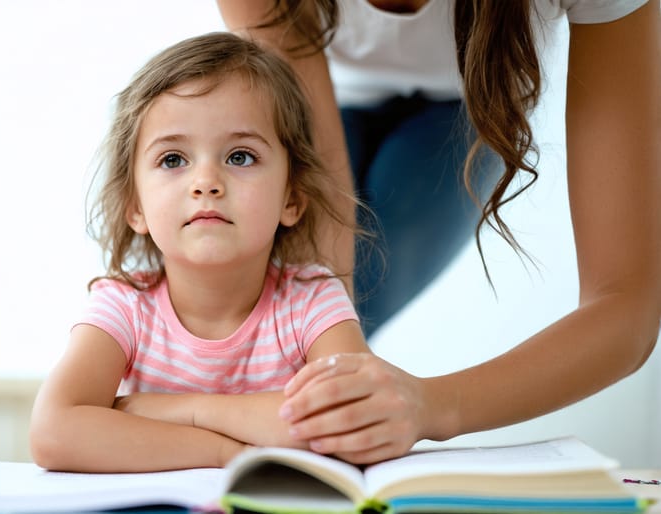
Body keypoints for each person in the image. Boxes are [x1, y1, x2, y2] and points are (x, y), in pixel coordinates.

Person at [210, 0, 660, 464]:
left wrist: (431, 405)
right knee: (265, 326)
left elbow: (625, 306)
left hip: (464, 106)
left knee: (346, 309)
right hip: (323, 91)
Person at [29, 31, 375, 472]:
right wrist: (225, 455)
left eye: (240, 157)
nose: (206, 181)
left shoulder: (312, 299)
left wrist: (188, 411)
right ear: (135, 206)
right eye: (173, 159)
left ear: (291, 197)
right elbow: (54, 433)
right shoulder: (123, 305)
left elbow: (354, 421)